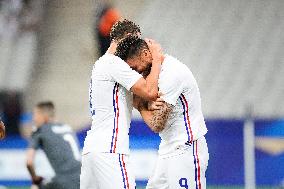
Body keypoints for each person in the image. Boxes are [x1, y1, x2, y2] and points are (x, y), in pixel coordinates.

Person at [116, 35, 209, 189]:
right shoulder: (154, 72)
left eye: (134, 67)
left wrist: (140, 106)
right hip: (168, 148)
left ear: (146, 54)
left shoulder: (172, 74)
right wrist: (148, 104)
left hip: (185, 149)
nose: (135, 73)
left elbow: (157, 124)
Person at [80, 19, 162, 189]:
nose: (137, 47)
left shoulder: (101, 64)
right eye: (135, 41)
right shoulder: (114, 63)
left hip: (92, 150)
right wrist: (157, 59)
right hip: (110, 149)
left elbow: (123, 99)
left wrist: (142, 105)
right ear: (127, 37)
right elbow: (150, 92)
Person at [26, 101, 81, 189]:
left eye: (35, 115)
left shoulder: (40, 130)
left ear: (44, 116)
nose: (34, 119)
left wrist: (35, 179)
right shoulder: (67, 127)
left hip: (64, 180)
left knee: (35, 187)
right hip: (84, 177)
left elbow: (29, 162)